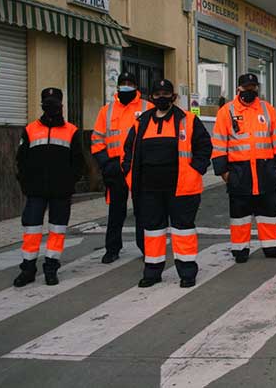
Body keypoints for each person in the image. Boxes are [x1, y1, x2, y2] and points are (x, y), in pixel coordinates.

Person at [123, 79, 213, 288]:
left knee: (183, 231)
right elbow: (128, 153)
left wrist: (195, 171)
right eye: (158, 94)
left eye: (166, 93)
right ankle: (152, 271)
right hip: (149, 190)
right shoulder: (141, 122)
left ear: (173, 97)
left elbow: (204, 148)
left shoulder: (188, 120)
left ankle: (187, 272)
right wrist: (129, 175)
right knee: (153, 232)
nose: (162, 97)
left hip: (181, 188)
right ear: (151, 97)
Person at [211, 74, 276, 263]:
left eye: (253, 87)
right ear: (239, 89)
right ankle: (240, 250)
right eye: (247, 88)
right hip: (239, 171)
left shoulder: (267, 109)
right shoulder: (227, 112)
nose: (250, 91)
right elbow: (220, 142)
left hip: (265, 170)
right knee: (240, 215)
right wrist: (224, 172)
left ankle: (272, 248)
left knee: (269, 212)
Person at [14, 88, 84, 287]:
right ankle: (28, 269)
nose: (51, 106)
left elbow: (78, 163)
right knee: (31, 229)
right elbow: (21, 160)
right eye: (47, 102)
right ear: (42, 104)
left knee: (57, 229)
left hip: (61, 191)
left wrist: (70, 182)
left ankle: (51, 268)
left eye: (54, 102)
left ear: (61, 105)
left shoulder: (72, 130)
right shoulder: (30, 129)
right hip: (35, 191)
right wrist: (25, 183)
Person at [92, 72, 151, 264]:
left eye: (129, 83)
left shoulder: (146, 108)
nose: (126, 86)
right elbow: (97, 140)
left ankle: (146, 247)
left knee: (142, 210)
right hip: (116, 167)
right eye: (122, 83)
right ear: (117, 87)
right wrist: (106, 164)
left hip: (138, 167)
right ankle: (112, 248)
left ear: (136, 86)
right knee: (116, 211)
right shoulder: (106, 111)